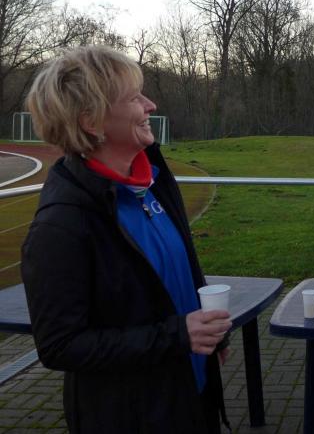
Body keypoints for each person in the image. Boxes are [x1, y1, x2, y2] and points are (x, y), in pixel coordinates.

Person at [21, 46, 231, 433]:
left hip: (191, 392)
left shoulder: (153, 181)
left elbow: (181, 271)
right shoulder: (61, 225)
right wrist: (177, 336)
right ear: (91, 120)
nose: (150, 105)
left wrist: (209, 334)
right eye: (135, 98)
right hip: (131, 415)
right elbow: (60, 346)